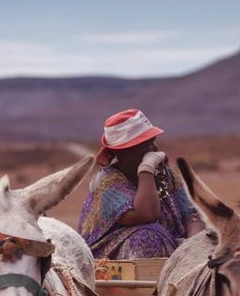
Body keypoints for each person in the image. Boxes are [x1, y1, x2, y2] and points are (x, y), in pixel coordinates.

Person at [78, 109, 204, 259]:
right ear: (123, 152)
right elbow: (147, 215)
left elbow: (192, 215)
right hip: (112, 262)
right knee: (148, 237)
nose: (153, 150)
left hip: (175, 255)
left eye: (152, 142)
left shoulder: (163, 174)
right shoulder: (106, 183)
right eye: (145, 145)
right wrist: (146, 169)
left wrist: (192, 246)